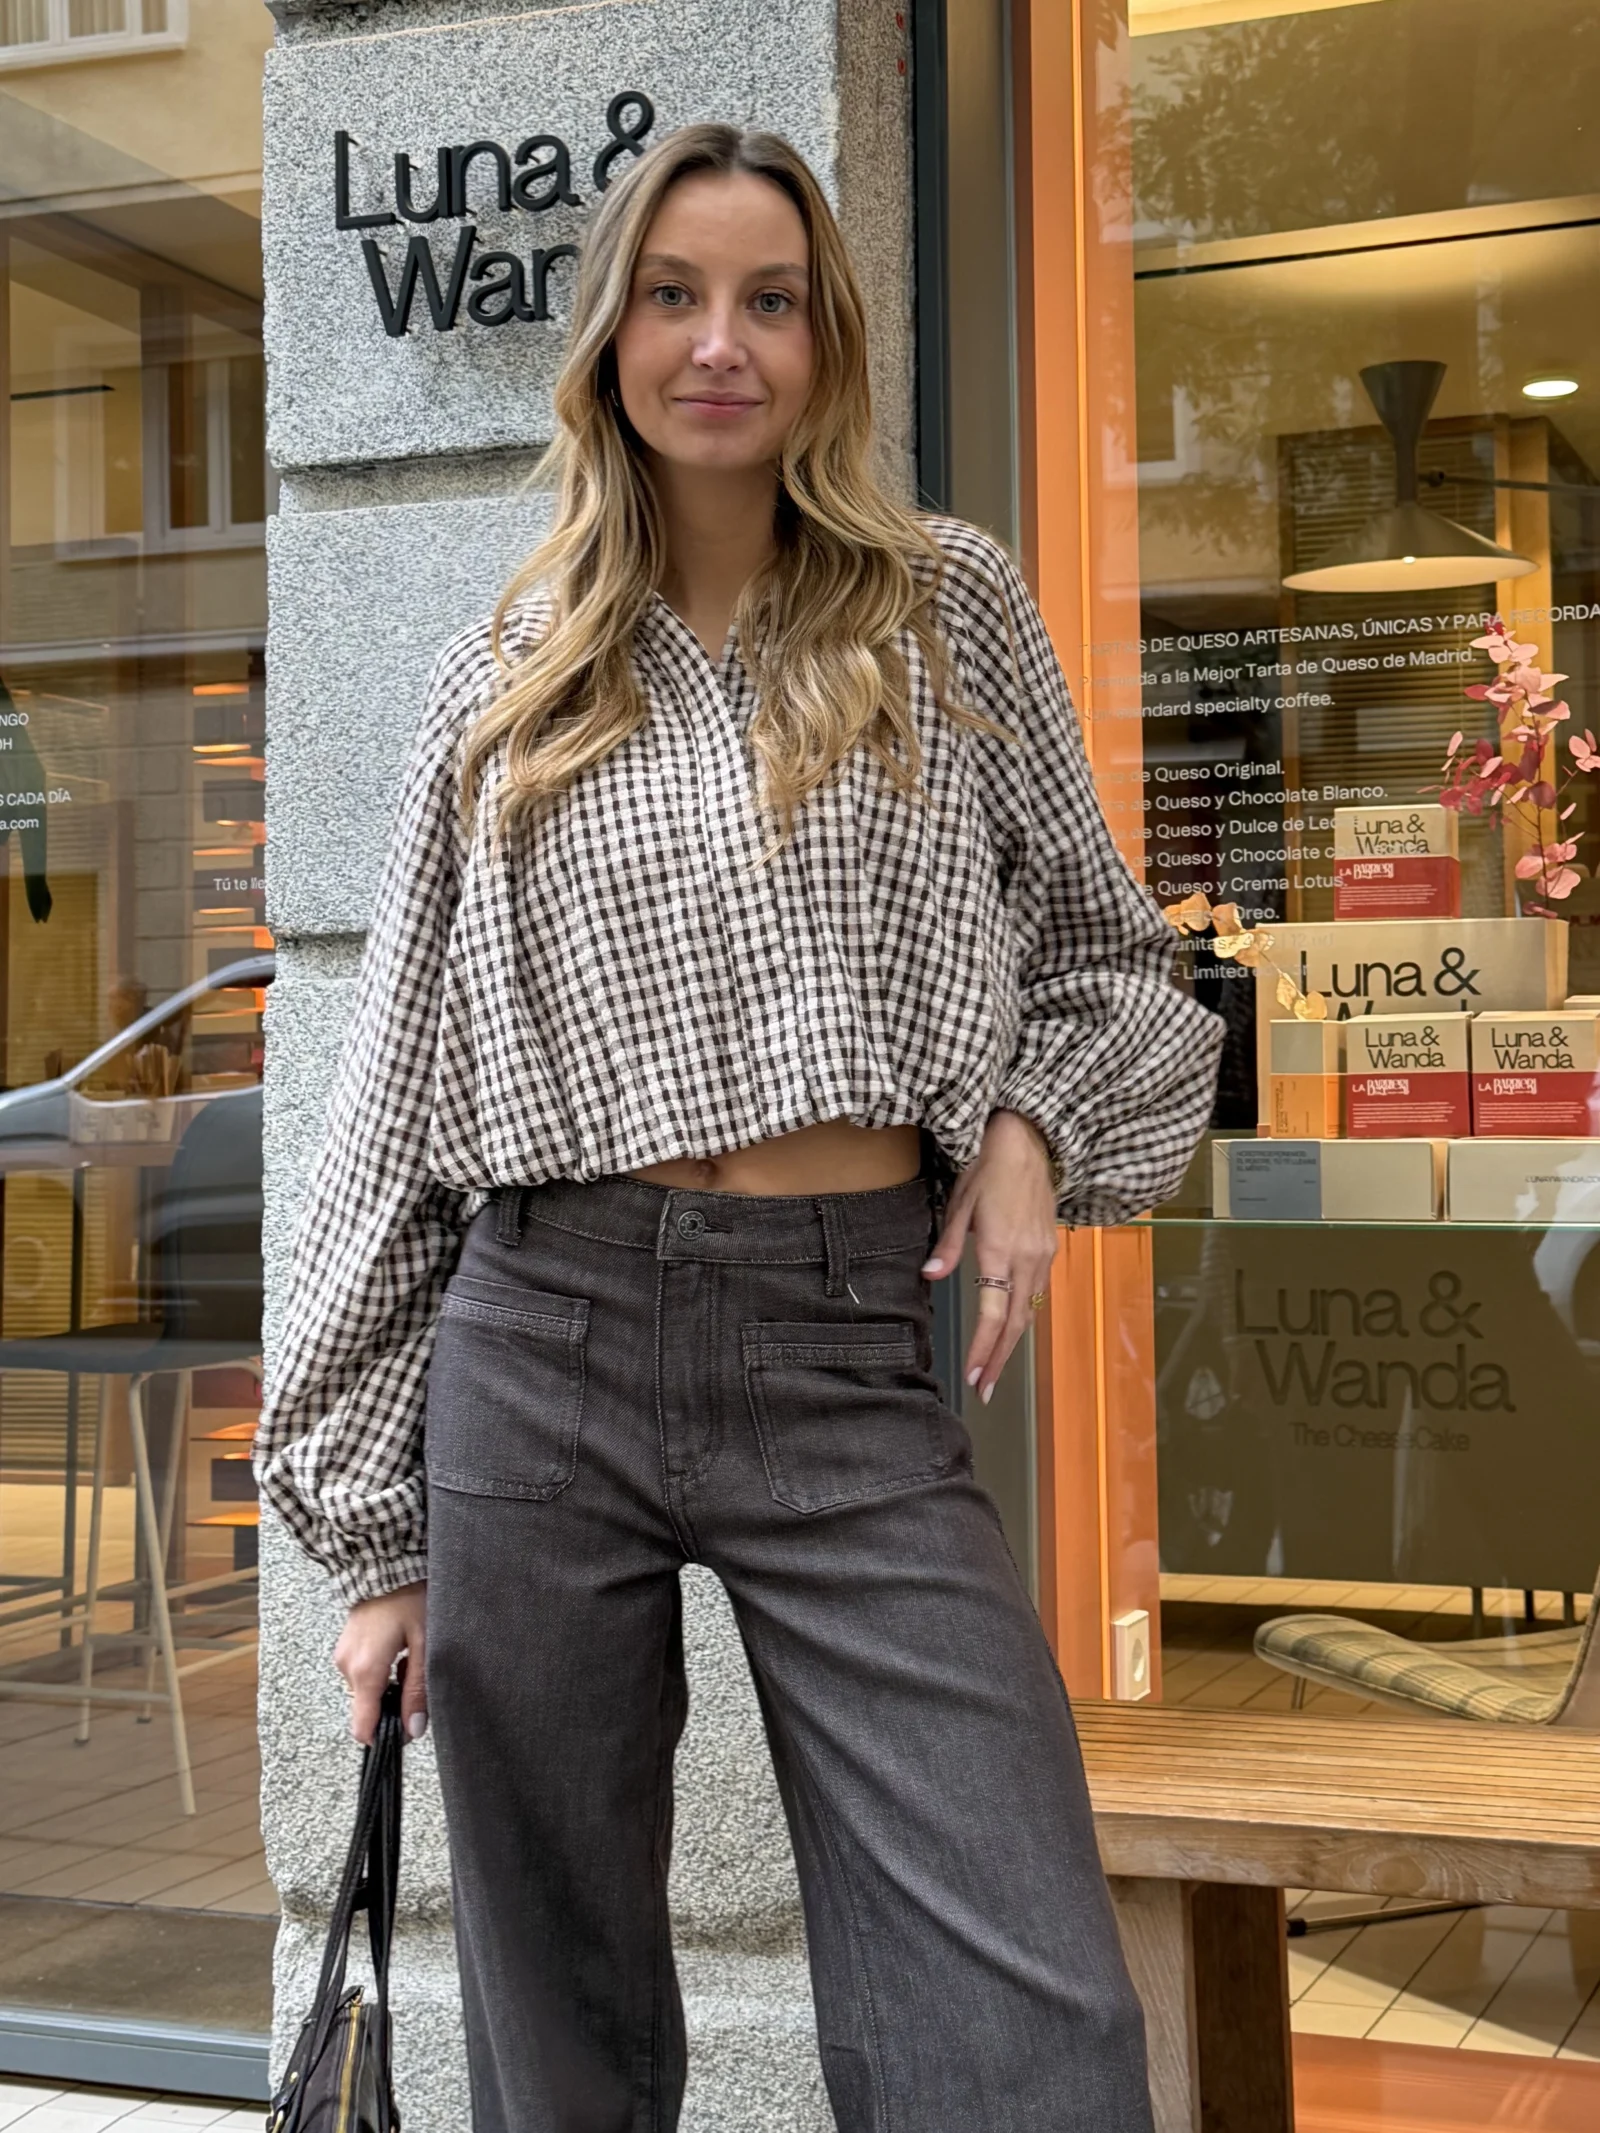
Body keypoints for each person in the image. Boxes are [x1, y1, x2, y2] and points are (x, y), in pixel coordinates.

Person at [256, 121, 1222, 2133]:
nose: (720, 343)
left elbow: (1118, 963)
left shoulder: (943, 611)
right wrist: (370, 1535)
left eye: (767, 299)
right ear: (610, 335)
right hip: (542, 1344)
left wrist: (1034, 1122)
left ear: (826, 337)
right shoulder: (500, 679)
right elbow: (399, 1095)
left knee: (1025, 2013)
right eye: (675, 297)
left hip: (847, 1346)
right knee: (561, 2024)